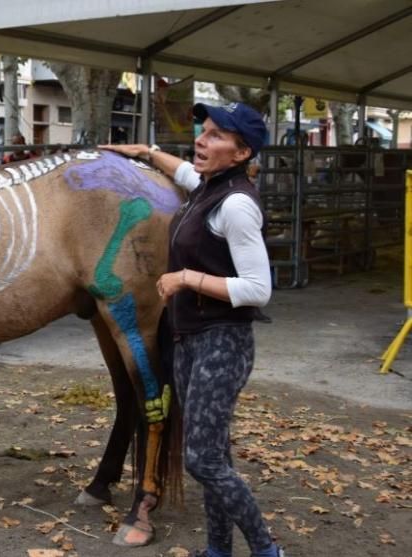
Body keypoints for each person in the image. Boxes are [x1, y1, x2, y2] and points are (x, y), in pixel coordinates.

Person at [101, 102, 282, 557]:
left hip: (223, 341)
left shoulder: (237, 203)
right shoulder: (208, 187)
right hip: (191, 340)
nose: (202, 140)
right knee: (214, 456)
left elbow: (259, 288)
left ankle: (267, 550)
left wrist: (186, 279)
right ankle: (218, 550)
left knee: (202, 460)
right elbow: (182, 170)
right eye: (203, 131)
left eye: (216, 135)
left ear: (241, 153)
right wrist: (144, 151)